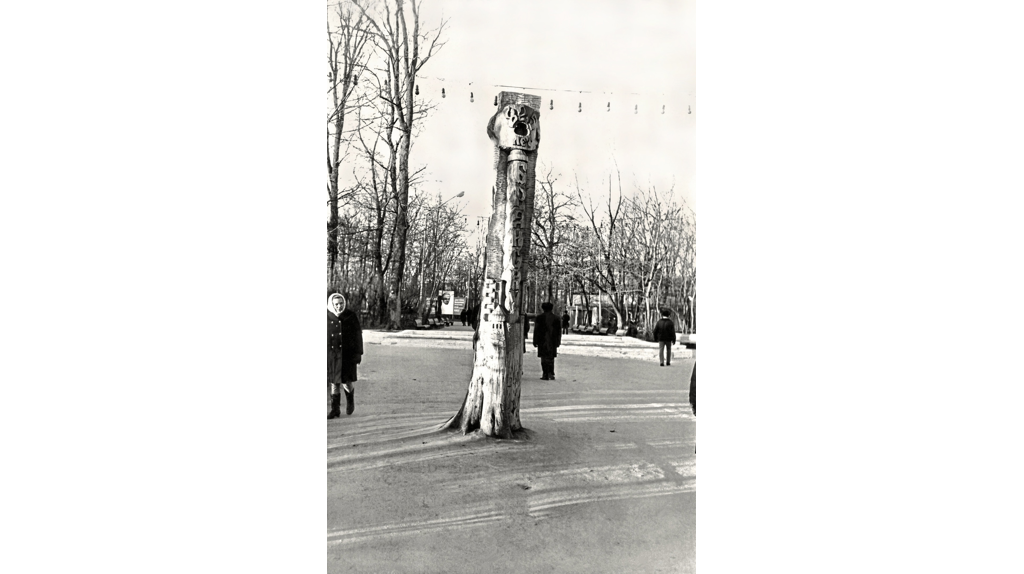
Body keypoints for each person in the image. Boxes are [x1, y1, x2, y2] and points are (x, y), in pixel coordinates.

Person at [532, 302, 562, 380]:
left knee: (544, 358)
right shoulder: (556, 318)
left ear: (543, 308)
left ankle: (545, 374)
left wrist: (535, 341)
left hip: (542, 340)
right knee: (551, 358)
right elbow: (559, 331)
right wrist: (558, 341)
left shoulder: (539, 318)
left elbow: (536, 330)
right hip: (552, 340)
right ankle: (551, 373)